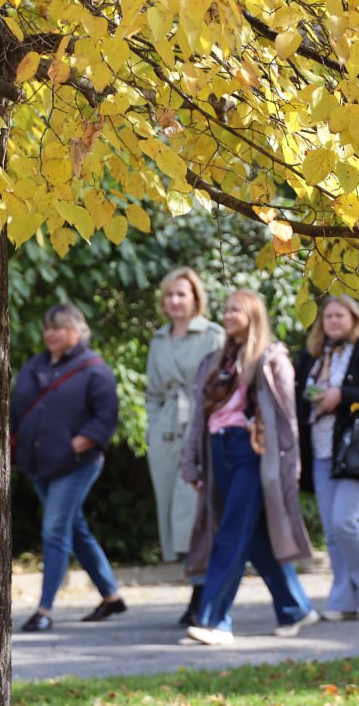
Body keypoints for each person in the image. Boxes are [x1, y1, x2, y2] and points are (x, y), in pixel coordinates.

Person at [179, 289, 318, 646]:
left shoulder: (272, 359)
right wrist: (191, 461)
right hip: (218, 450)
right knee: (254, 537)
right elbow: (199, 417)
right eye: (225, 309)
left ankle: (214, 621)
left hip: (253, 453)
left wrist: (291, 467)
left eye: (235, 310)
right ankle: (295, 608)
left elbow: (287, 421)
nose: (226, 315)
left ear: (253, 314)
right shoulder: (215, 362)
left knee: (230, 534)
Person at [10, 303, 126, 632]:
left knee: (54, 530)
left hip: (77, 465)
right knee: (74, 529)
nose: (50, 333)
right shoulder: (35, 366)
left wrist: (75, 445)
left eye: (58, 327)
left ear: (76, 330)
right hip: (39, 465)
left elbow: (105, 418)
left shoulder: (94, 370)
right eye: (48, 327)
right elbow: (18, 408)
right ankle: (111, 597)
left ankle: (44, 610)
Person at [295, 294, 359, 620]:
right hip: (320, 451)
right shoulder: (312, 357)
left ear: (353, 319)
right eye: (328, 316)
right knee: (332, 530)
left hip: (355, 451)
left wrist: (342, 395)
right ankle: (344, 600)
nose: (333, 321)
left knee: (344, 521)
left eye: (340, 315)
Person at [144, 268, 224, 625]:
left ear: (196, 298)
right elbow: (152, 393)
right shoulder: (159, 340)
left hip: (201, 429)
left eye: (182, 294)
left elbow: (225, 386)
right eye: (170, 295)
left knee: (194, 515)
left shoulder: (213, 336)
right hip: (165, 434)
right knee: (172, 517)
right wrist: (153, 427)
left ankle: (201, 594)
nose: (175, 301)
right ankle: (197, 591)